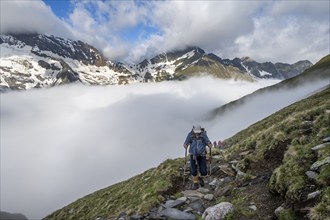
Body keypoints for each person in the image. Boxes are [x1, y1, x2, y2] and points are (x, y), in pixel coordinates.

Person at [183, 125, 212, 190]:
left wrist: (209, 144)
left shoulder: (203, 134)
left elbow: (207, 141)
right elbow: (186, 142)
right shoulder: (190, 135)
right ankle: (195, 184)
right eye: (195, 131)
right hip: (193, 155)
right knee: (193, 171)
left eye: (198, 132)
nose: (197, 133)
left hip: (202, 154)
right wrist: (185, 145)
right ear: (193, 129)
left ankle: (200, 177)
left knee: (204, 171)